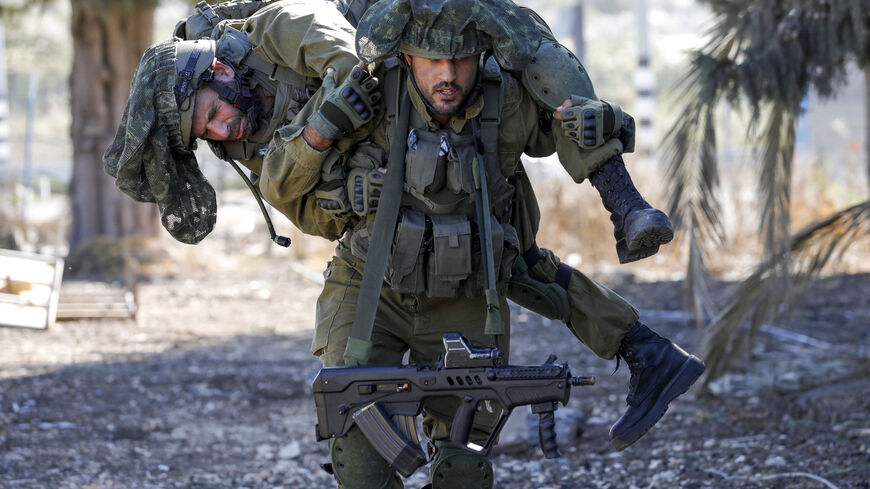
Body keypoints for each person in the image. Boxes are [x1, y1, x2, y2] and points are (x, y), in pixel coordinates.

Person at [246, 1, 705, 488]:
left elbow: (572, 125)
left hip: (470, 295)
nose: (447, 75)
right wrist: (323, 131)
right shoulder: (366, 92)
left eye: (461, 61)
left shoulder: (505, 99)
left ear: (481, 57)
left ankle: (638, 295)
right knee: (360, 455)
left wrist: (603, 129)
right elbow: (278, 184)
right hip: (369, 291)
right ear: (404, 57)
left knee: (462, 469)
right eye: (431, 61)